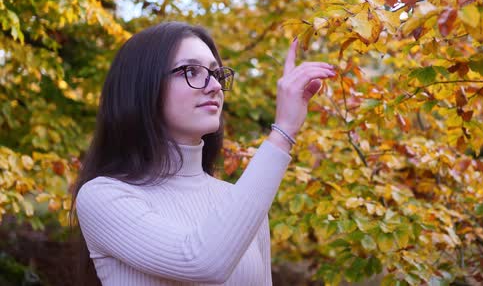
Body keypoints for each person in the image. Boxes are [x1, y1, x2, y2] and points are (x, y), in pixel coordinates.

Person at [70, 21, 336, 285]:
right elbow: (201, 261)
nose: (215, 86)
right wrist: (282, 133)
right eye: (191, 71)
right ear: (142, 86)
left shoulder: (237, 198)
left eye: (215, 73)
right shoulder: (103, 196)